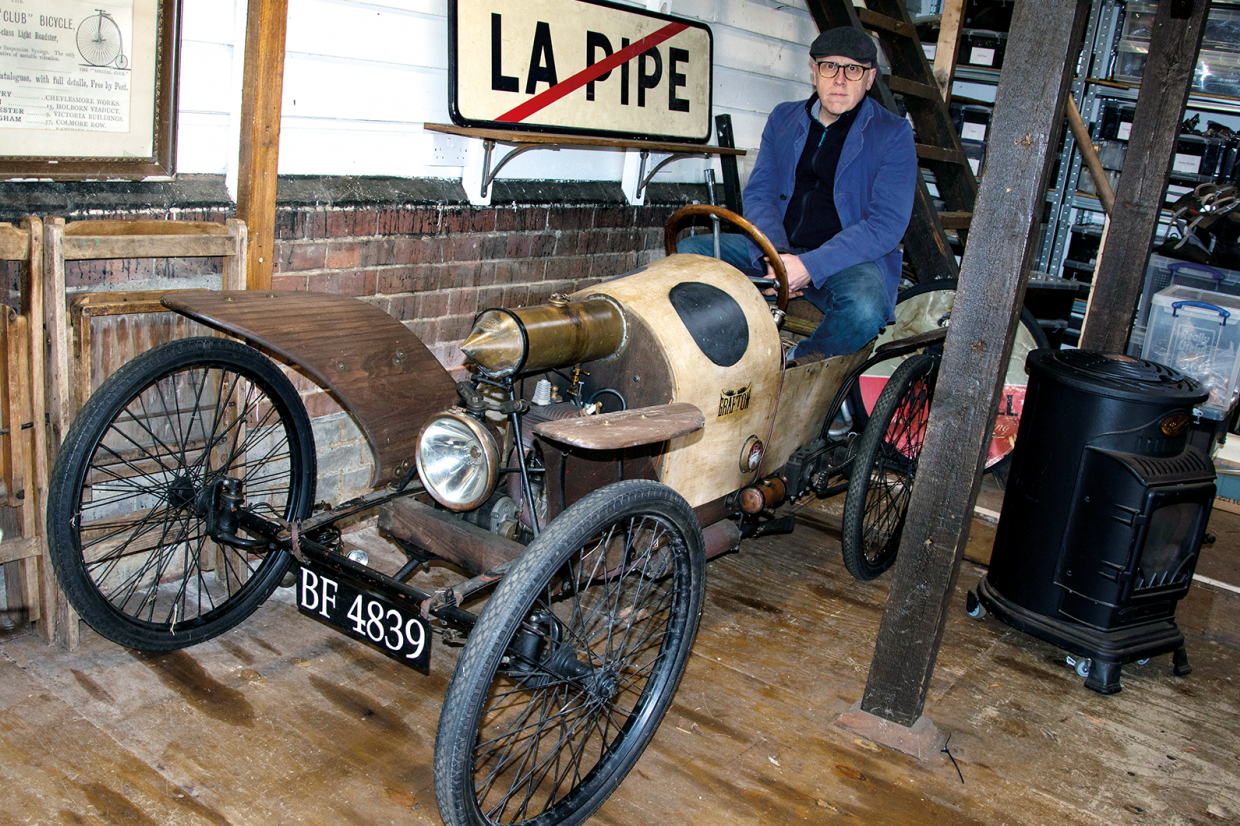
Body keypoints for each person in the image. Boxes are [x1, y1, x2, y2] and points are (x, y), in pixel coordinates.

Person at [680, 27, 917, 358]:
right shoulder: (784, 118)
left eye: (853, 69)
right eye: (829, 66)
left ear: (869, 78)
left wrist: (808, 266)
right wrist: (774, 255)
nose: (840, 79)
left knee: (865, 309)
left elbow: (886, 225)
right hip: (779, 248)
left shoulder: (892, 133)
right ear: (814, 72)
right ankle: (721, 353)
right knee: (689, 252)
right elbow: (760, 193)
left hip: (844, 260)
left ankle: (795, 364)